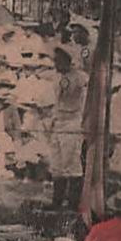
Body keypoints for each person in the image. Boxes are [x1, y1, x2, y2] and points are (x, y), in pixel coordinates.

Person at [49, 46, 87, 211]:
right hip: (59, 120)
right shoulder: (57, 77)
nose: (55, 63)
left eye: (58, 60)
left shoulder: (79, 77)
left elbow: (87, 93)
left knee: (71, 163)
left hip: (73, 120)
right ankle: (56, 202)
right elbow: (57, 100)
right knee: (57, 163)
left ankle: (73, 204)